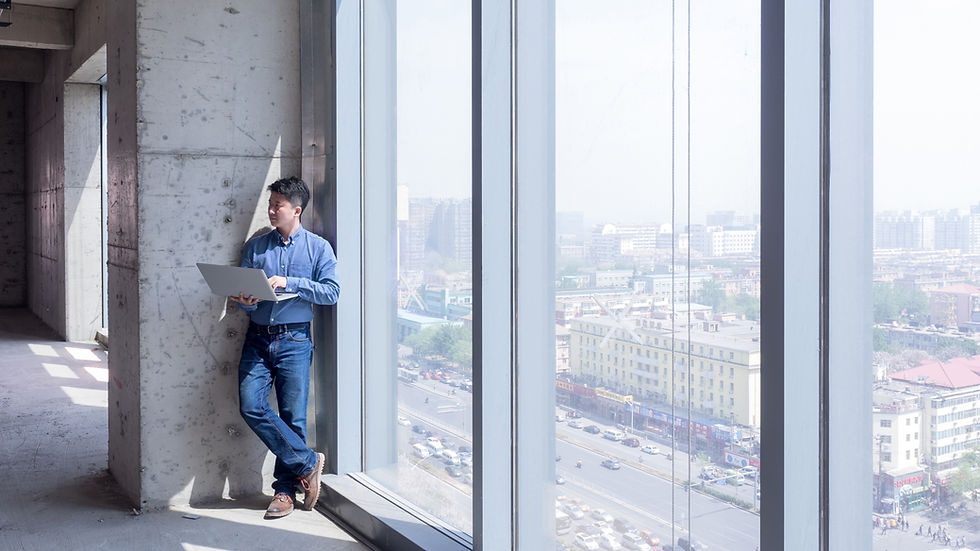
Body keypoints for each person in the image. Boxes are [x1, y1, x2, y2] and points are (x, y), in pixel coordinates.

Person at [229, 176, 340, 519]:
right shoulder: (257, 246)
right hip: (258, 336)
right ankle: (308, 462)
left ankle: (284, 492)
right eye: (270, 204)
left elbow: (331, 292)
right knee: (250, 404)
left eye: (278, 205)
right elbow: (244, 295)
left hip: (295, 339)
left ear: (297, 209)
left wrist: (291, 282)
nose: (271, 210)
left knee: (293, 418)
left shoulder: (318, 248)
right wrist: (245, 300)